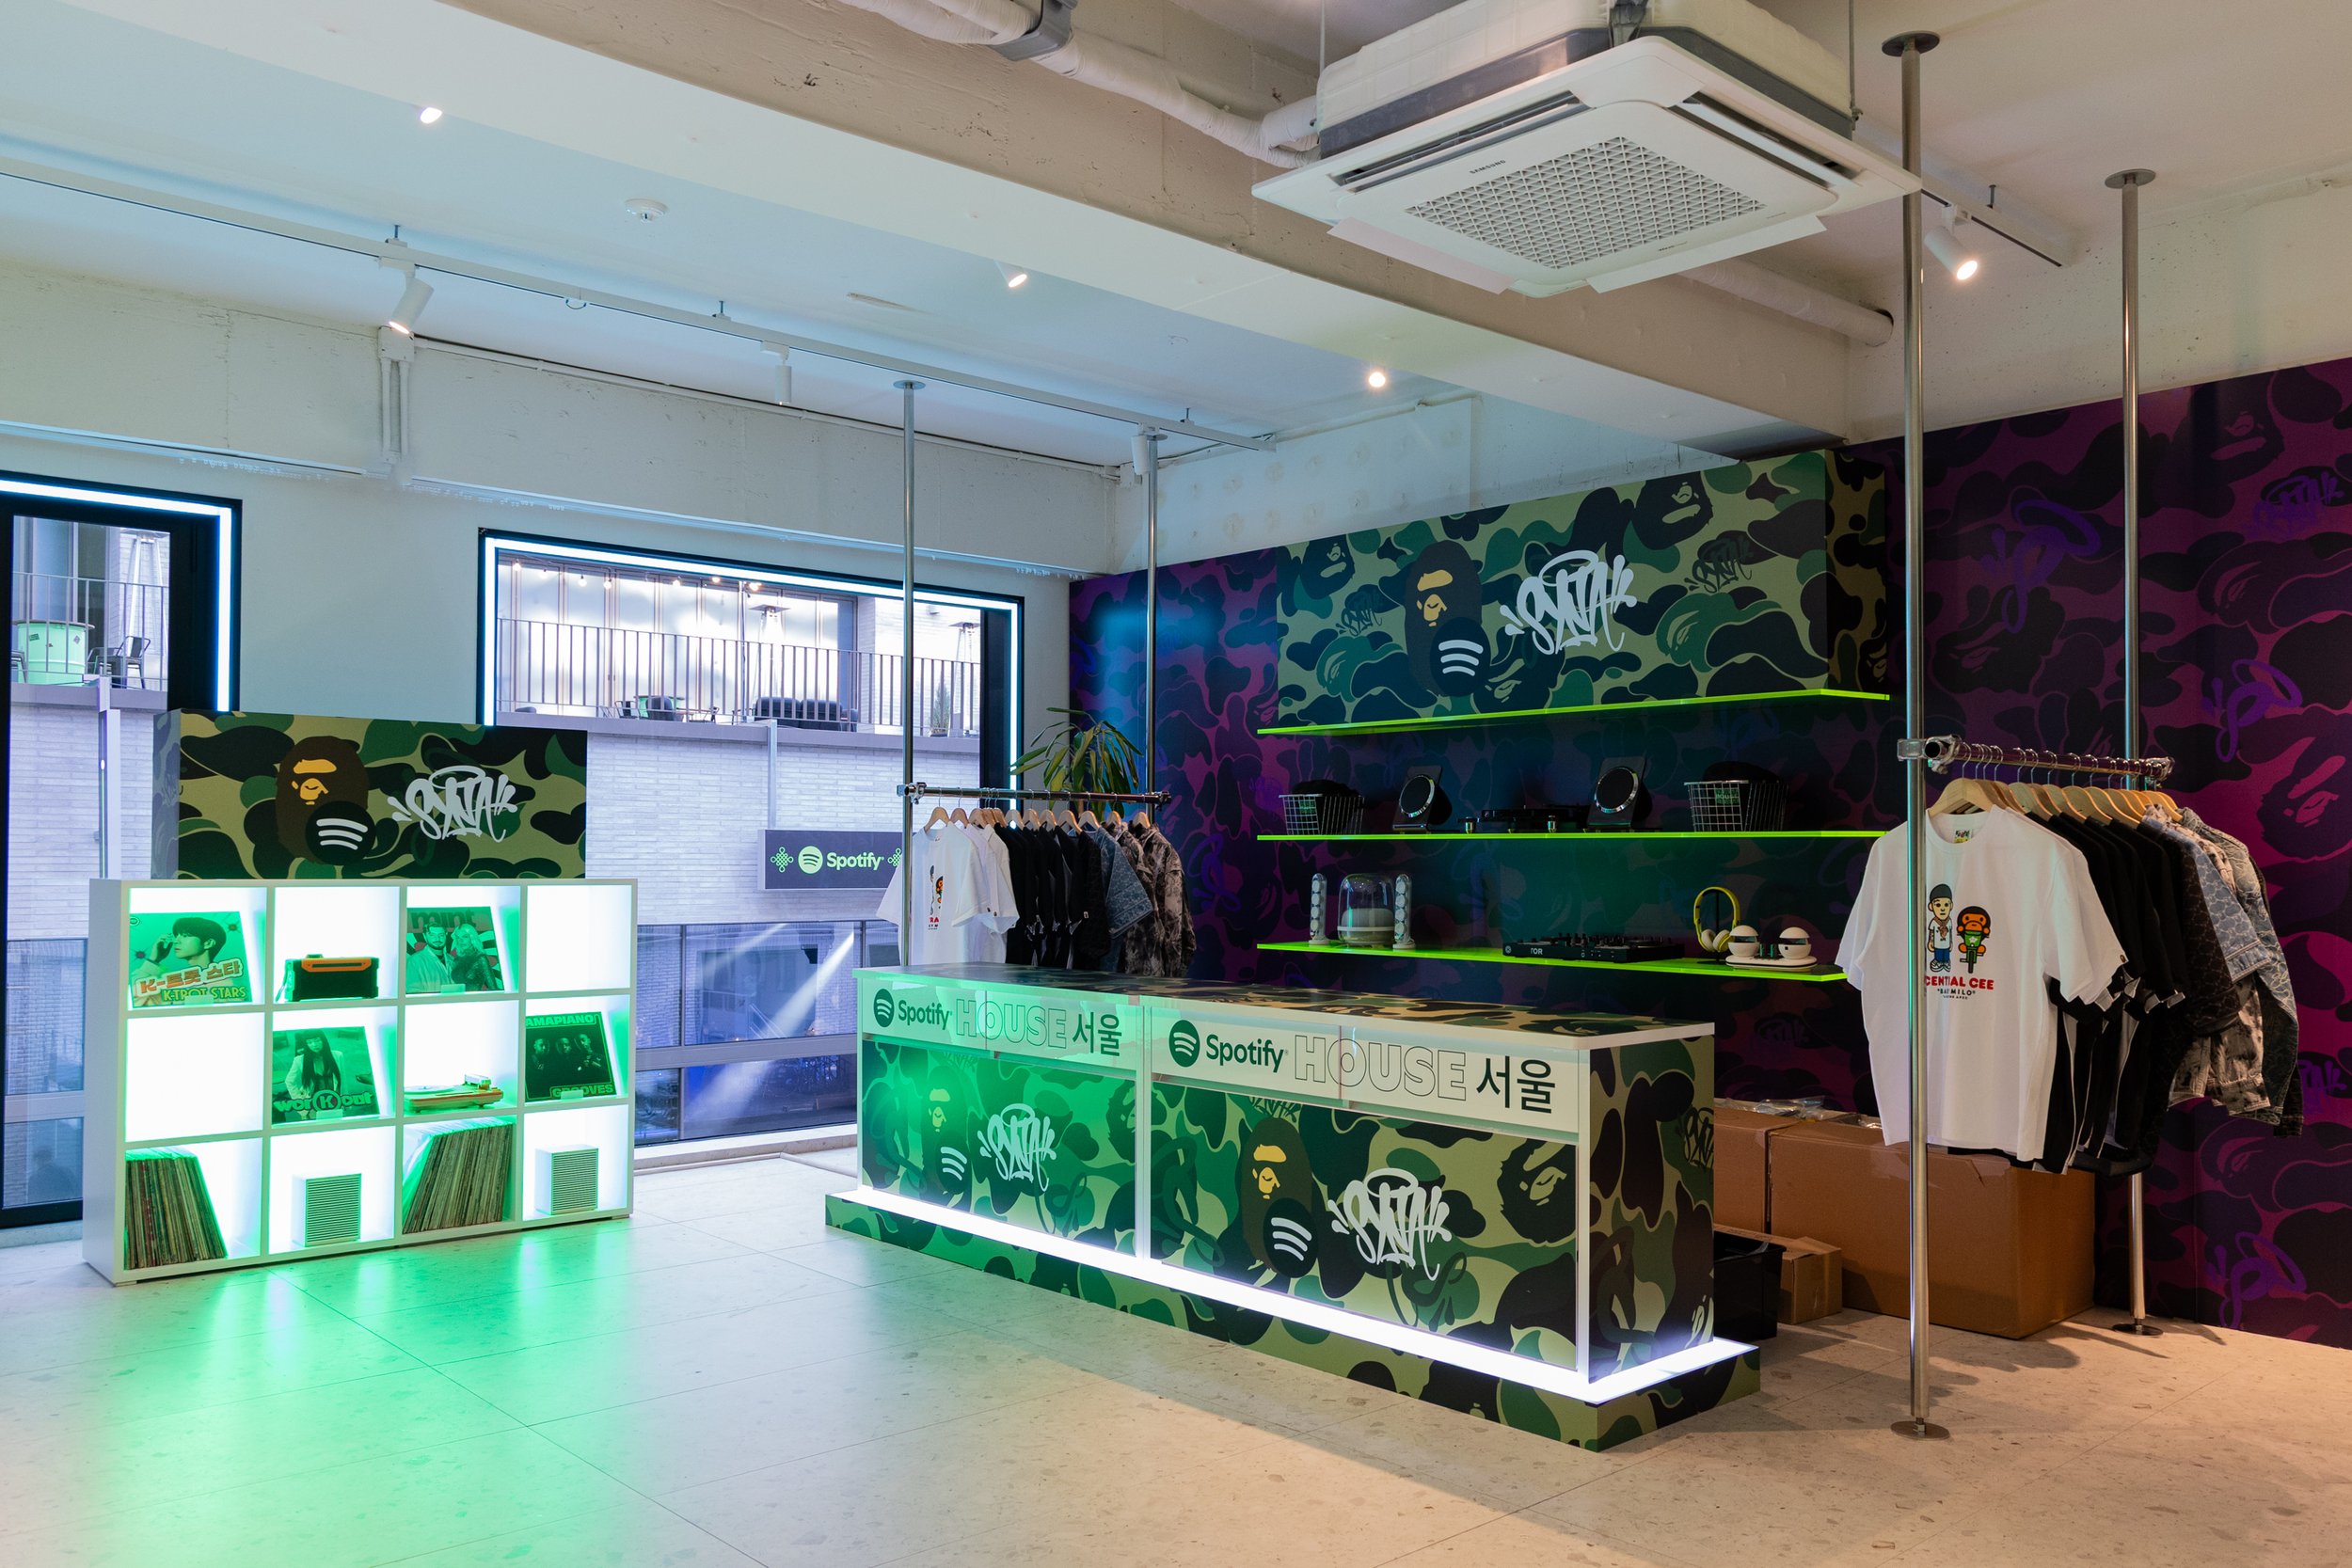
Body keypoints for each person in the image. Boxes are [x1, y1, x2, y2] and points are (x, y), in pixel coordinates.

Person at [283, 1030, 343, 1117]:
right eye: (310, 1042)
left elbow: (343, 1080)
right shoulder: (300, 1060)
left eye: (317, 1040)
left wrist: (345, 1101)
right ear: (306, 1044)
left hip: (334, 1097)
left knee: (336, 1121)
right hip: (313, 1101)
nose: (315, 1045)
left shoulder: (338, 1055)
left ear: (323, 1040)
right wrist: (300, 1102)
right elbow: (289, 1081)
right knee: (317, 1122)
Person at [405, 918, 453, 991]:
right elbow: (412, 990)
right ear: (425, 936)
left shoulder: (452, 960)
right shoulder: (415, 961)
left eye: (441, 935)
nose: (437, 938)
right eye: (432, 935)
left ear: (446, 935)